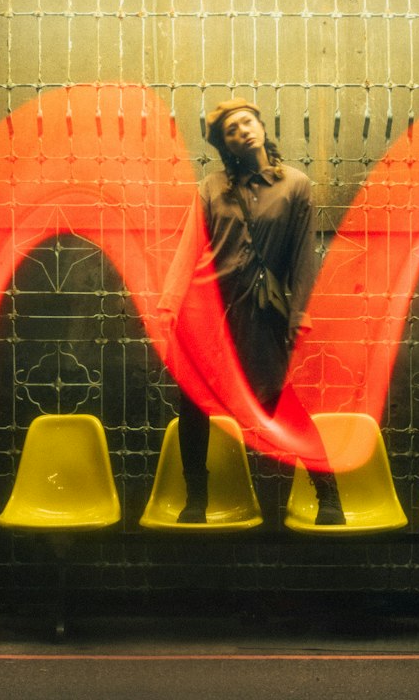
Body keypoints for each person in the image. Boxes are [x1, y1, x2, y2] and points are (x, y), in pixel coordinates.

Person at [158, 98, 344, 525]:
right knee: (193, 405)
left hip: (261, 315)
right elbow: (190, 247)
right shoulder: (211, 188)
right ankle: (196, 500)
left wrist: (299, 315)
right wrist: (169, 306)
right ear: (226, 145)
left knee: (281, 403)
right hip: (206, 314)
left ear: (260, 125)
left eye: (246, 122)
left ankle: (328, 494)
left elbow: (302, 257)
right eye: (231, 130)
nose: (242, 130)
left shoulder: (295, 186)